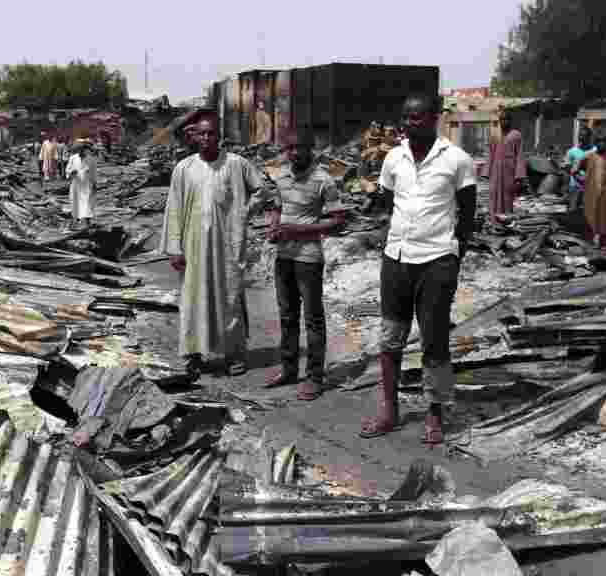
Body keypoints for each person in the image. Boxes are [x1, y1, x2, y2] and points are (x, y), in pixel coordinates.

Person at [358, 93, 477, 445]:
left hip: (437, 262)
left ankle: (435, 414)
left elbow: (468, 215)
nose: (412, 123)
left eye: (419, 117)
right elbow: (386, 201)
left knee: (434, 341)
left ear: (435, 118)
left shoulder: (457, 159)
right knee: (390, 339)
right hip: (396, 259)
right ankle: (389, 410)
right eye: (407, 117)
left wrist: (455, 257)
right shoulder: (393, 158)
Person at [160, 111, 271, 378]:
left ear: (219, 137)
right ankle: (194, 354)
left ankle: (233, 354)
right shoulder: (184, 168)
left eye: (211, 133)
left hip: (227, 244)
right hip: (192, 245)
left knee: (229, 297)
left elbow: (262, 189)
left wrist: (245, 211)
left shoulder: (236, 164)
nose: (207, 138)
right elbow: (173, 208)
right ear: (195, 137)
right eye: (202, 133)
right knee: (192, 299)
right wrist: (174, 247)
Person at [264, 131, 346, 401]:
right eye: (290, 148)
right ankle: (289, 369)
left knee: (312, 318)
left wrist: (300, 229)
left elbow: (337, 220)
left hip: (309, 258)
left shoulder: (324, 180)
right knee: (287, 315)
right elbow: (276, 206)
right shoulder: (281, 177)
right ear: (286, 151)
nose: (296, 153)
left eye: (301, 148)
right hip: (283, 256)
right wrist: (274, 226)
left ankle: (314, 377)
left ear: (312, 148)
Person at [487, 109, 526, 223]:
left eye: (507, 119)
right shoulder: (494, 135)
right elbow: (490, 154)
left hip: (510, 172)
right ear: (499, 121)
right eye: (502, 119)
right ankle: (494, 221)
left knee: (507, 197)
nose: (504, 122)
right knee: (494, 195)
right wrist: (486, 172)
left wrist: (519, 176)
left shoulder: (516, 135)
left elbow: (519, 155)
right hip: (495, 171)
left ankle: (506, 222)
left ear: (511, 121)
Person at [66, 142, 98, 228]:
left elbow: (94, 172)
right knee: (75, 202)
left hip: (87, 184)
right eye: (78, 151)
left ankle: (87, 221)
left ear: (85, 150)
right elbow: (68, 170)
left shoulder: (91, 159)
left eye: (81, 151)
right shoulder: (73, 158)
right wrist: (71, 173)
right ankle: (75, 220)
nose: (80, 152)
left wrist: (95, 183)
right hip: (76, 183)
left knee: (87, 202)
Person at [566, 127, 594, 212]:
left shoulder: (595, 150)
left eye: (584, 136)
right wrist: (577, 176)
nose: (581, 138)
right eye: (580, 136)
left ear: (589, 137)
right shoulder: (571, 151)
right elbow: (567, 167)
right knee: (573, 210)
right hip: (575, 187)